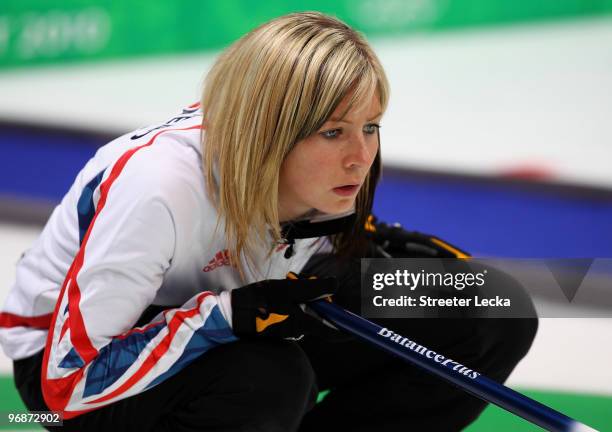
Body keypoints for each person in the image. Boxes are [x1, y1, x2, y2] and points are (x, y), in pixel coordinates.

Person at [0, 11, 537, 431]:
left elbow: (289, 240)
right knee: (270, 382)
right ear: (268, 133)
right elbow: (65, 385)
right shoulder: (158, 188)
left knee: (486, 307)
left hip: (255, 300)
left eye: (370, 126)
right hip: (83, 370)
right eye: (333, 132)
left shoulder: (345, 163)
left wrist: (366, 244)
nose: (360, 156)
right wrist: (225, 317)